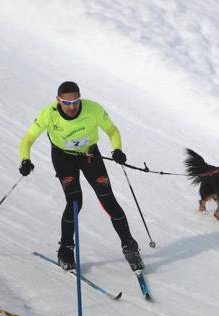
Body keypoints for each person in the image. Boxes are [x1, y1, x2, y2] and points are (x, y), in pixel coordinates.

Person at [18, 81, 144, 272]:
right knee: (75, 202)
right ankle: (66, 251)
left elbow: (112, 130)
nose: (72, 106)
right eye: (66, 102)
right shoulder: (49, 114)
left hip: (89, 156)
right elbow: (28, 139)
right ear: (58, 100)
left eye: (76, 101)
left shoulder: (92, 109)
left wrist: (117, 149)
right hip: (63, 158)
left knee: (108, 200)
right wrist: (25, 160)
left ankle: (130, 247)